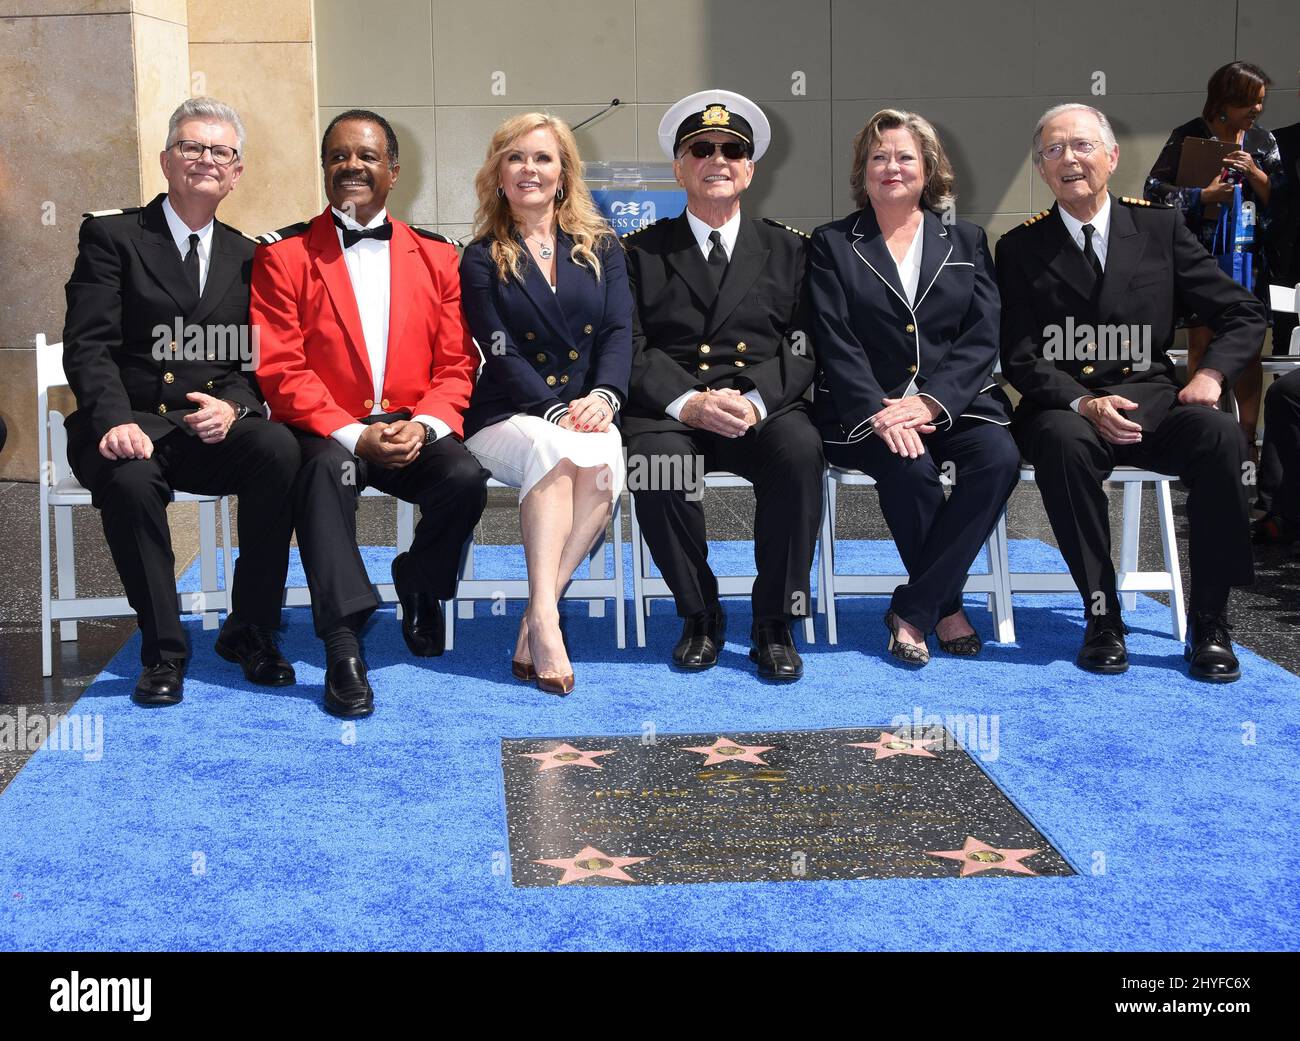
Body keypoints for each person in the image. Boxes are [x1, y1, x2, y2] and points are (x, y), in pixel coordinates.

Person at [998, 103, 1267, 682]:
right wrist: (1083, 401)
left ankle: (1210, 624)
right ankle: (1102, 617)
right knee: (1062, 444)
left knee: (1221, 435)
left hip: (1156, 404)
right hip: (1067, 410)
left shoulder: (1160, 228)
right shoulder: (1020, 248)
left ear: (1112, 157)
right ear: (1041, 169)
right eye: (1053, 151)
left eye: (1082, 146)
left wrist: (1210, 376)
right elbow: (1020, 356)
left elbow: (1243, 313)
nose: (1069, 159)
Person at [61, 97, 299, 707]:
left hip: (204, 428)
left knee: (278, 448)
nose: (205, 160)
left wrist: (238, 408)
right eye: (191, 147)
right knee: (133, 482)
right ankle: (163, 650)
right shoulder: (112, 235)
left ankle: (251, 629)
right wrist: (112, 419)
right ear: (167, 161)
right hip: (129, 423)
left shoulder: (251, 256)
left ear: (237, 172)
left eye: (220, 151)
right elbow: (89, 346)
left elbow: (254, 362)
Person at [251, 109, 487, 718]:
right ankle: (342, 644)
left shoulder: (439, 257)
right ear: (325, 168)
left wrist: (428, 425)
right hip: (329, 430)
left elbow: (458, 362)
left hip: (412, 424)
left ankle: (421, 582)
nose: (351, 166)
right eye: (338, 156)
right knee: (325, 477)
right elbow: (280, 368)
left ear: (393, 171)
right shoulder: (283, 256)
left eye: (367, 156)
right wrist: (356, 436)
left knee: (464, 478)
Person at [621, 89, 822, 681]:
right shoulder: (638, 252)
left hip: (760, 407)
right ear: (680, 167)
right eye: (700, 149)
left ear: (750, 169)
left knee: (801, 452)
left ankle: (774, 621)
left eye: (732, 150)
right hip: (674, 407)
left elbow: (805, 343)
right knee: (655, 462)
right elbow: (629, 347)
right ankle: (700, 613)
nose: (717, 160)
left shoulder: (791, 250)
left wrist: (755, 399)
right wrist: (691, 401)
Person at [808, 109, 1017, 666]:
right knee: (911, 471)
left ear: (929, 169)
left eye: (905, 157)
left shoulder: (967, 239)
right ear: (863, 171)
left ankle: (914, 606)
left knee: (998, 460)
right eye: (879, 157)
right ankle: (944, 609)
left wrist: (930, 401)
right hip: (866, 408)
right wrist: (883, 411)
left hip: (957, 403)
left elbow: (981, 334)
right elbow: (833, 338)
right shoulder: (830, 243)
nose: (891, 167)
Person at [459, 113, 632, 696]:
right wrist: (553, 408)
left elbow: (617, 330)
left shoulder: (602, 246)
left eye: (543, 159)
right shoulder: (481, 256)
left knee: (603, 468)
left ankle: (537, 614)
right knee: (556, 453)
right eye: (516, 159)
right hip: (507, 411)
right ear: (498, 175)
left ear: (564, 174)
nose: (529, 170)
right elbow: (496, 346)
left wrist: (606, 396)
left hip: (590, 406)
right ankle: (550, 623)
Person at [1144, 61, 1283, 453]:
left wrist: (1255, 173)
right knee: (1202, 345)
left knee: (1249, 346)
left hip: (1248, 260)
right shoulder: (1188, 136)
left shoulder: (1262, 142)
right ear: (1225, 100)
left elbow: (1284, 202)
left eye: (1260, 102)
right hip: (1199, 258)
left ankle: (1246, 437)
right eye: (1249, 103)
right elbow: (1153, 191)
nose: (1256, 110)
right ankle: (1206, 432)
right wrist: (1201, 197)